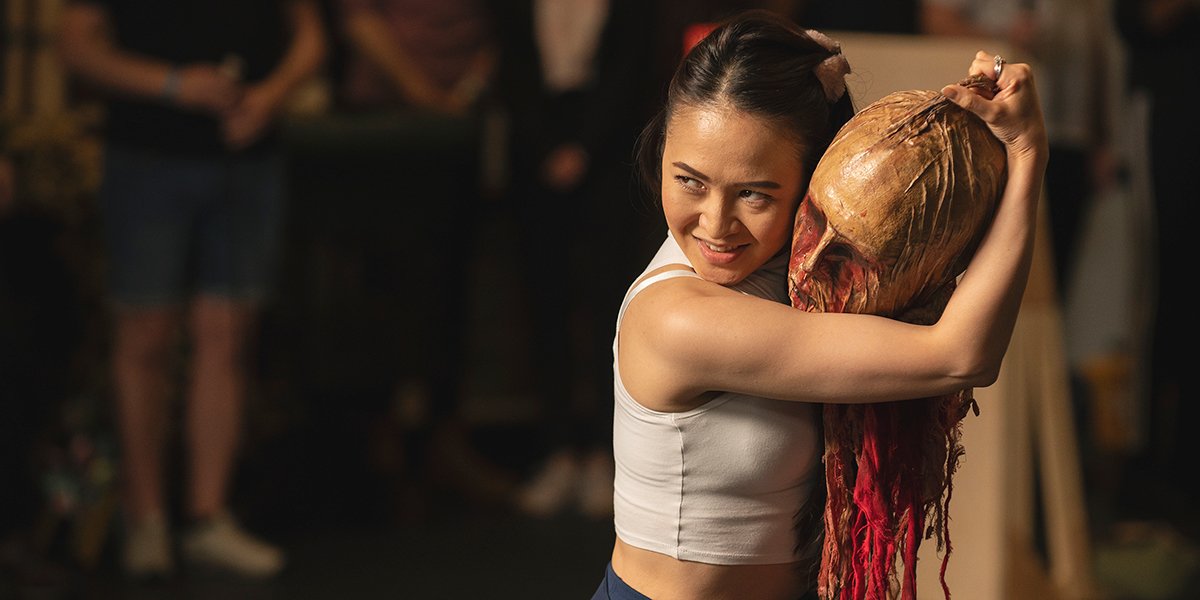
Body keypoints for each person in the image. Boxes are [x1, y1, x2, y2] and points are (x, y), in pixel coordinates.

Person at [595, 10, 1047, 600]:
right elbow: (960, 355)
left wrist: (972, 125)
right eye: (689, 181)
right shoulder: (677, 318)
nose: (714, 224)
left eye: (754, 192)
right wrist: (1027, 150)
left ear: (809, 178)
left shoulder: (802, 267)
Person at [57, 0, 325, 580]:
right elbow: (76, 46)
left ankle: (207, 514)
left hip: (245, 155)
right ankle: (144, 515)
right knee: (146, 336)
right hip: (146, 154)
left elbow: (309, 36)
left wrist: (272, 94)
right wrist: (173, 86)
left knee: (226, 337)